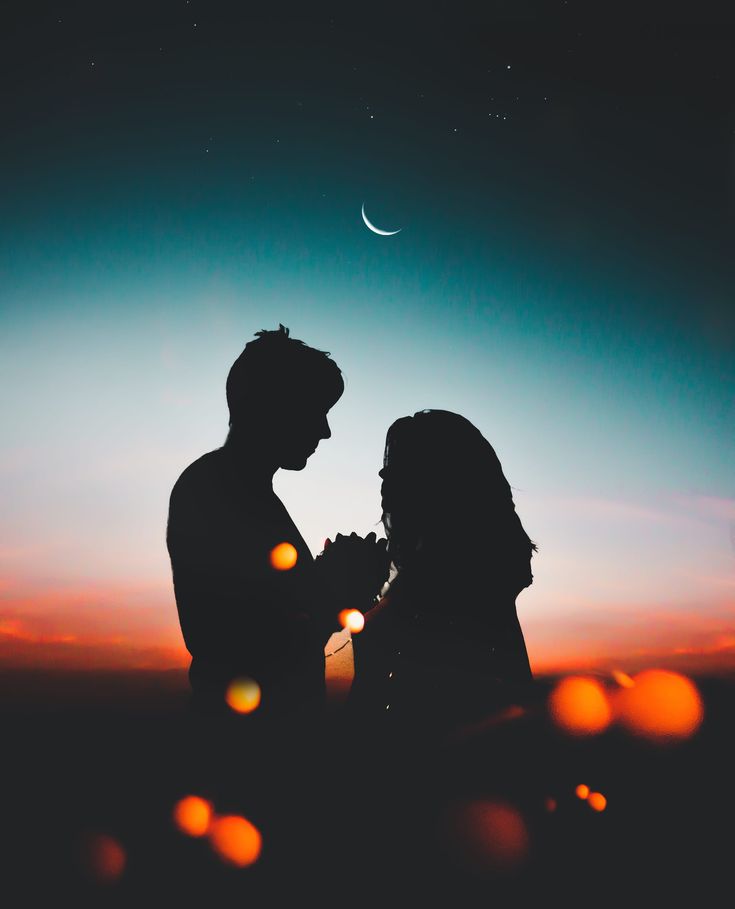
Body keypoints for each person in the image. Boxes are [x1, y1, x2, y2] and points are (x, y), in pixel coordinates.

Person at [166, 325, 389, 718]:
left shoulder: (243, 492)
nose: (325, 430)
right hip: (240, 749)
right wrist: (335, 593)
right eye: (315, 411)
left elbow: (274, 615)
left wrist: (331, 588)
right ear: (273, 406)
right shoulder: (211, 490)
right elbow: (220, 640)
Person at [348, 409, 537, 734]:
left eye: (397, 468)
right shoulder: (479, 565)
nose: (382, 477)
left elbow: (373, 694)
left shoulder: (439, 579)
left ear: (439, 480)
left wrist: (357, 600)